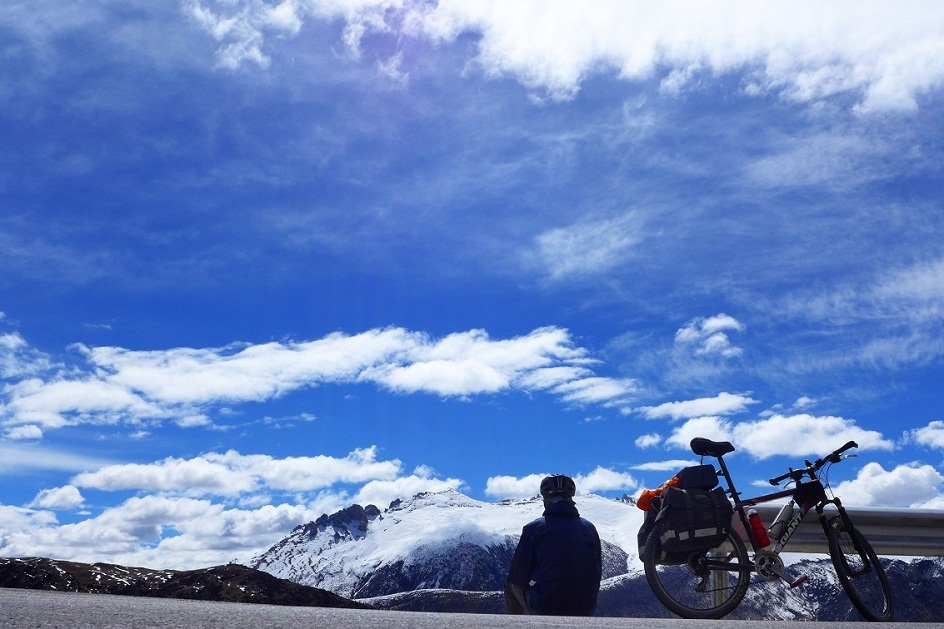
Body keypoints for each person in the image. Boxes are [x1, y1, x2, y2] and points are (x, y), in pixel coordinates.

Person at [505, 474, 603, 616]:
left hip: (547, 606)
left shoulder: (534, 528)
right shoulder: (589, 528)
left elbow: (518, 576)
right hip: (586, 608)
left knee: (510, 585)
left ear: (545, 499)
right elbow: (597, 571)